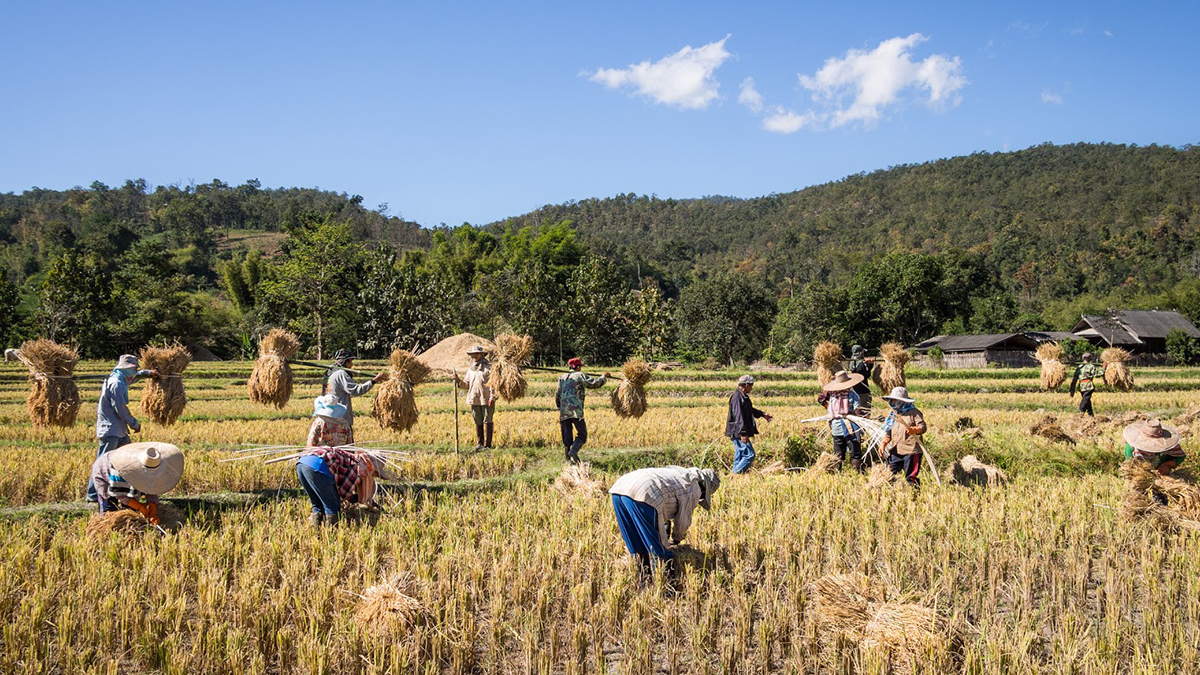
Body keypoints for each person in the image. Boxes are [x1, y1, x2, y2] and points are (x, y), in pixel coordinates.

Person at [609, 466, 720, 579]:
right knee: (658, 551)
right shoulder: (694, 487)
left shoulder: (679, 473)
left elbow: (665, 496)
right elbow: (682, 522)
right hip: (645, 494)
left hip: (620, 489)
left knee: (636, 545)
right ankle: (668, 589)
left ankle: (644, 583)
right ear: (706, 489)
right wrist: (676, 540)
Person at [88, 354, 160, 502]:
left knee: (130, 459)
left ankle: (132, 490)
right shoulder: (116, 383)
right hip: (111, 430)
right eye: (133, 368)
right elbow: (120, 407)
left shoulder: (121, 378)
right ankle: (93, 495)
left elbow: (136, 376)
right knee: (102, 463)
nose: (135, 371)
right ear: (126, 369)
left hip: (119, 430)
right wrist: (134, 423)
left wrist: (148, 373)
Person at [90, 442, 184, 524]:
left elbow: (152, 488)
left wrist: (153, 510)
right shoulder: (122, 468)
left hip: (123, 477)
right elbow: (120, 494)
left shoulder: (151, 465)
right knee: (109, 508)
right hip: (104, 473)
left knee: (131, 511)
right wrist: (140, 507)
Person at [295, 445, 375, 526]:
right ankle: (331, 533)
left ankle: (317, 532)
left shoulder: (347, 457)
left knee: (317, 506)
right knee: (332, 507)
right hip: (318, 468)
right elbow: (344, 491)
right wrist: (351, 498)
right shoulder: (358, 467)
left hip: (301, 464)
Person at [324, 349, 387, 440]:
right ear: (345, 361)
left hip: (328, 416)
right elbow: (356, 390)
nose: (352, 364)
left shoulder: (329, 373)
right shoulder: (340, 374)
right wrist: (374, 380)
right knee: (345, 450)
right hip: (340, 420)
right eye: (350, 361)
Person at [556, 357, 609, 463]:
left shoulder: (562, 378)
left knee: (567, 435)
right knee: (582, 434)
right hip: (576, 411)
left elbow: (558, 394)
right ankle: (573, 451)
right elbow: (593, 383)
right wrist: (604, 377)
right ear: (578, 367)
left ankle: (568, 459)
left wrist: (561, 408)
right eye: (580, 366)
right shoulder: (580, 375)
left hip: (564, 412)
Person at [817, 370, 866, 473]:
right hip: (850, 427)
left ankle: (837, 473)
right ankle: (858, 473)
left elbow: (821, 399)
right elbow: (858, 411)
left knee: (838, 452)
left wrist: (831, 410)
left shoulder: (833, 395)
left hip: (836, 427)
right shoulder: (852, 395)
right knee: (855, 452)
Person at [725, 374, 773, 473]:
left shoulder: (742, 397)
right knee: (749, 455)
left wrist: (762, 414)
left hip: (737, 430)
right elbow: (739, 416)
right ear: (746, 385)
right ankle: (735, 474)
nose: (752, 387)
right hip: (737, 431)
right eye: (751, 385)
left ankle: (734, 478)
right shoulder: (737, 398)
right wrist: (743, 433)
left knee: (740, 454)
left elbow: (749, 410)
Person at [881, 386, 926, 486]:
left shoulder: (914, 413)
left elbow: (922, 427)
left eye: (897, 400)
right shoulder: (893, 414)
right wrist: (884, 443)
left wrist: (914, 430)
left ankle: (913, 495)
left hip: (911, 451)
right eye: (893, 400)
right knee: (889, 473)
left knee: (911, 477)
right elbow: (889, 431)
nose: (894, 402)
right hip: (896, 449)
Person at [453, 345, 496, 451]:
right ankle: (480, 444)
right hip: (474, 397)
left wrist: (492, 397)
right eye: (473, 354)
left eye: (476, 353)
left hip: (486, 398)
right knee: (478, 420)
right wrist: (458, 380)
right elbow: (466, 384)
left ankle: (488, 445)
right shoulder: (471, 369)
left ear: (481, 354)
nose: (474, 356)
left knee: (488, 420)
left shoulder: (489, 368)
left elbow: (494, 383)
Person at [1069, 352, 1105, 416]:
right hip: (1088, 386)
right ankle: (1082, 411)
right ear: (1090, 358)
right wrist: (1104, 368)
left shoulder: (1079, 367)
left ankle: (1090, 414)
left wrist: (1072, 390)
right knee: (1086, 400)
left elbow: (1074, 379)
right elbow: (1098, 374)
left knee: (1086, 399)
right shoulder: (1091, 366)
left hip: (1081, 387)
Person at [848, 345, 874, 413]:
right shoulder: (861, 364)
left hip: (854, 388)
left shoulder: (851, 362)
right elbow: (867, 374)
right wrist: (870, 365)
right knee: (865, 409)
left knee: (856, 408)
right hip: (863, 389)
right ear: (860, 353)